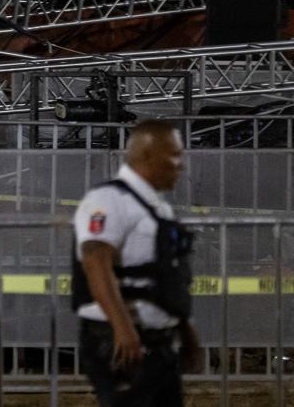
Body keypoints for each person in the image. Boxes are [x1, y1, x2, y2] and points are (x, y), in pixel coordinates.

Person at [71, 120, 201, 406]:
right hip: (121, 342)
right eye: (175, 155)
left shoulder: (158, 207)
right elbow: (95, 262)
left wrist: (184, 329)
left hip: (158, 343)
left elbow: (166, 275)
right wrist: (123, 328)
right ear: (146, 156)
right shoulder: (108, 200)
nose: (181, 165)